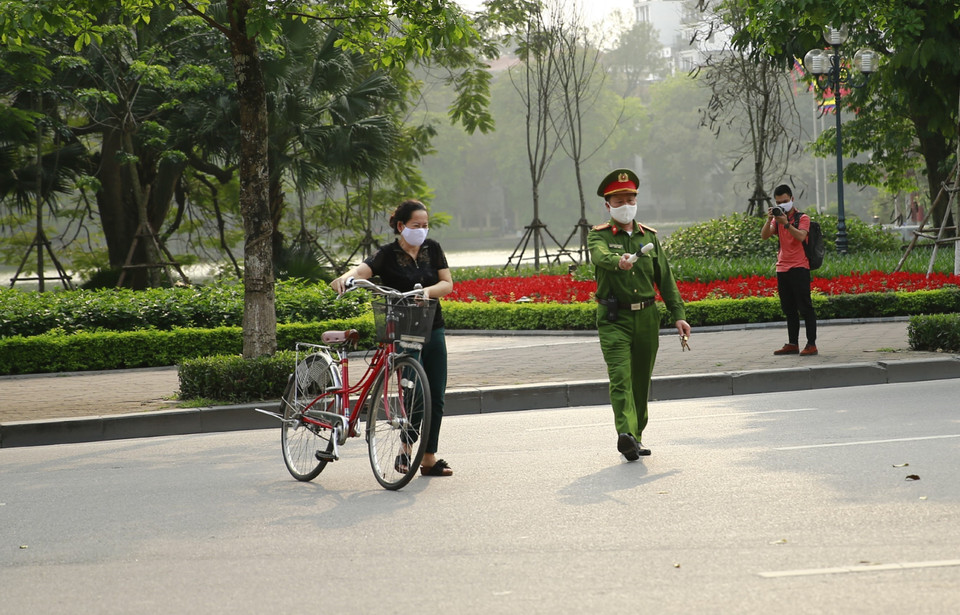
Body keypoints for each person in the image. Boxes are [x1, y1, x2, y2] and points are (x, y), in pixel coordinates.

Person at [330, 199, 455, 477]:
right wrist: (344, 278)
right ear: (401, 226)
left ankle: (429, 458)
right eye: (416, 225)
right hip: (404, 330)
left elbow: (447, 283)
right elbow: (361, 270)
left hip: (433, 326)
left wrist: (425, 292)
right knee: (416, 392)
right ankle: (406, 450)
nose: (421, 230)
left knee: (437, 394)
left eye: (425, 225)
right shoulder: (387, 254)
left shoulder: (433, 249)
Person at [588, 169, 691, 461]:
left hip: (647, 317)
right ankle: (626, 433)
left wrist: (678, 315)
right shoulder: (599, 236)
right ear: (608, 205)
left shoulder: (650, 238)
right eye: (618, 200)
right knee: (620, 378)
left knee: (641, 380)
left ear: (636, 201)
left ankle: (637, 435)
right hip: (613, 318)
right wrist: (616, 261)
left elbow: (665, 279)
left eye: (629, 199)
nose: (625, 205)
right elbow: (598, 256)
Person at [760, 184, 818, 356]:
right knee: (789, 308)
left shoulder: (803, 218)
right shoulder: (777, 218)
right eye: (779, 202)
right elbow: (764, 235)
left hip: (799, 267)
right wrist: (769, 219)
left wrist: (786, 224)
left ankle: (811, 344)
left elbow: (801, 236)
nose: (782, 204)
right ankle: (793, 343)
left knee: (805, 307)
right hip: (782, 267)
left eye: (785, 201)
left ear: (792, 199)